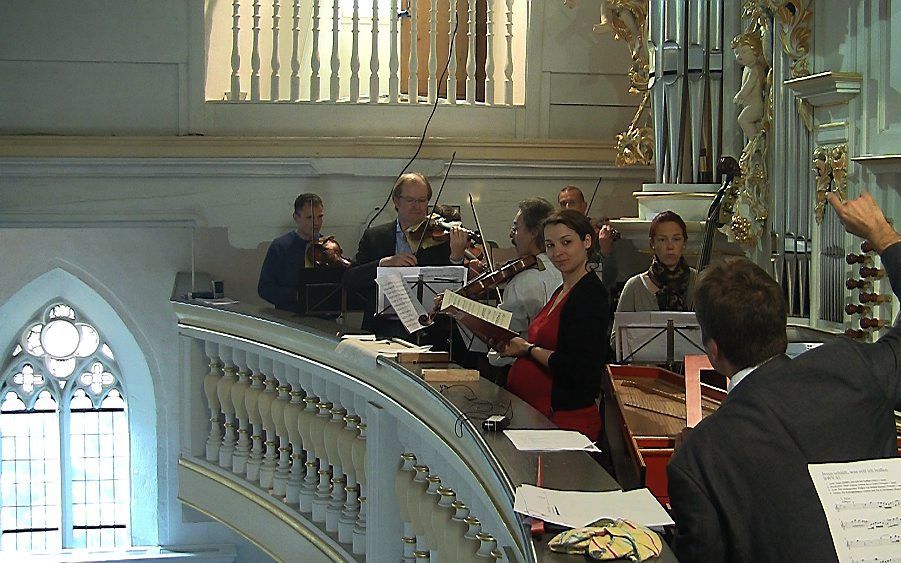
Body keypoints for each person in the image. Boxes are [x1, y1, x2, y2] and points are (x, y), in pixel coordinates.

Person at [667, 191, 901, 563]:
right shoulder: (855, 368)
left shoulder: (700, 456)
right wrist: (882, 234)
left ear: (712, 351)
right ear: (781, 325)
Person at [494, 209, 610, 441]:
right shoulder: (564, 289)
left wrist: (526, 348)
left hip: (565, 420)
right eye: (550, 245)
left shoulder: (590, 295)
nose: (557, 252)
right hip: (539, 414)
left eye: (566, 243)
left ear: (587, 241)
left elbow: (573, 367)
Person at [343, 172, 468, 333]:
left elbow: (457, 293)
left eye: (422, 200)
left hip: (429, 331)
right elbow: (349, 279)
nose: (417, 206)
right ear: (396, 201)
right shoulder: (375, 236)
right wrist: (383, 264)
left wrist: (457, 257)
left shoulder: (440, 238)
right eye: (410, 200)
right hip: (383, 328)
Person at [486, 198, 562, 368]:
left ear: (534, 232)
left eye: (516, 228)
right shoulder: (565, 269)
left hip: (526, 370)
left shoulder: (523, 282)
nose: (511, 235)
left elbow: (503, 346)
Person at [616, 210, 696, 313]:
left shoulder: (699, 282)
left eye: (676, 239)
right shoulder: (634, 288)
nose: (670, 246)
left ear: (684, 243)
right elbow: (619, 328)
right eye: (662, 240)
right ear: (652, 243)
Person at [257, 193, 326, 311]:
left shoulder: (326, 246)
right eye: (310, 218)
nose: (316, 223)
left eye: (319, 217)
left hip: (323, 317)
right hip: (291, 317)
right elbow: (265, 288)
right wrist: (295, 295)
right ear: (296, 218)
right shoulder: (280, 247)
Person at [558, 185, 619, 286]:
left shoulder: (597, 233)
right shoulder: (555, 233)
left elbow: (609, 278)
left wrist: (605, 250)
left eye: (572, 203)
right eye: (563, 204)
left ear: (584, 206)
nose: (567, 208)